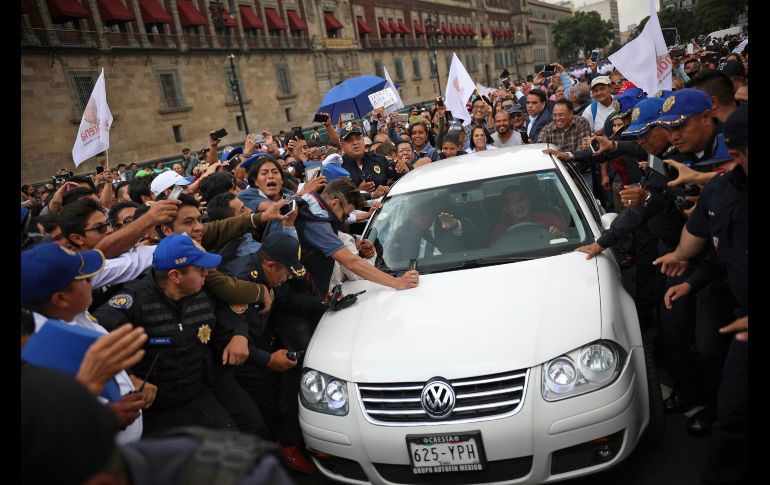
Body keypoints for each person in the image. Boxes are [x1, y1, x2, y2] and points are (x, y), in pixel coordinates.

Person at [653, 106, 747, 484]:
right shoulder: (723, 191)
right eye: (735, 155)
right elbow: (713, 249)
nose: (737, 162)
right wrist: (684, 267)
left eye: (741, 154)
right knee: (733, 416)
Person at [21, 243, 148, 443]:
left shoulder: (75, 314)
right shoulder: (38, 353)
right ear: (61, 299)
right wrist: (105, 416)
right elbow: (46, 432)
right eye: (84, 278)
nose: (92, 280)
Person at [294, 178, 420, 295]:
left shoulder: (306, 202)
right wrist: (397, 282)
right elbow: (352, 263)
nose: (343, 220)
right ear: (334, 204)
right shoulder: (318, 223)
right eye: (345, 216)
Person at [489, 185, 566, 245]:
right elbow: (495, 251)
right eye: (512, 202)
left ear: (528, 200)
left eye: (521, 199)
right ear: (505, 209)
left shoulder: (548, 218)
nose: (519, 205)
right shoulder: (502, 230)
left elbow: (567, 240)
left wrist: (558, 235)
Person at [339, 125, 390, 198]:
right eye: (349, 140)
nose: (355, 142)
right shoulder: (339, 169)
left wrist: (404, 169)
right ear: (342, 147)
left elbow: (395, 177)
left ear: (363, 141)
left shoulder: (379, 159)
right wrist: (359, 191)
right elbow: (340, 200)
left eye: (358, 138)